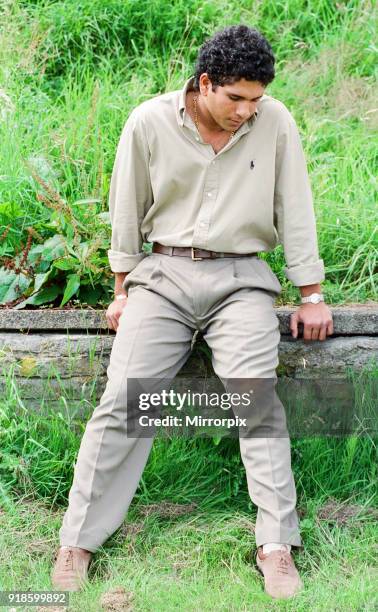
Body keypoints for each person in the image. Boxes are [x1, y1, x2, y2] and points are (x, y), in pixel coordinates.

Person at [51, 24, 333, 599]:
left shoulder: (274, 122)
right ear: (205, 83)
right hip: (164, 275)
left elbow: (295, 204)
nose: (247, 111)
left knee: (255, 398)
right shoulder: (149, 121)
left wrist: (311, 293)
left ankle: (276, 545)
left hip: (241, 279)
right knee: (124, 398)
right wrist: (122, 287)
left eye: (256, 99)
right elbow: (127, 208)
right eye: (236, 99)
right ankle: (75, 543)